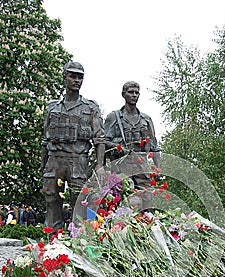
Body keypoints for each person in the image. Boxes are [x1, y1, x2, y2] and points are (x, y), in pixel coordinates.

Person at [41, 61, 106, 231]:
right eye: (72, 76)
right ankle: (52, 239)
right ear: (65, 77)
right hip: (54, 159)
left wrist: (99, 165)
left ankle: (79, 240)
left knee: (79, 200)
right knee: (51, 198)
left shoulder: (90, 107)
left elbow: (99, 138)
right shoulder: (52, 108)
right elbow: (45, 139)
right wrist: (43, 164)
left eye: (80, 77)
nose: (76, 80)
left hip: (78, 160)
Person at [104, 81, 160, 210]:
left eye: (136, 93)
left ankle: (147, 226)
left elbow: (154, 146)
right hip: (121, 165)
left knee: (146, 200)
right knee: (119, 200)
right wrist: (119, 148)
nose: (134, 95)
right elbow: (104, 141)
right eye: (130, 92)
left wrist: (157, 168)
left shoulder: (146, 119)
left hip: (141, 164)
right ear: (123, 94)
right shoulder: (114, 117)